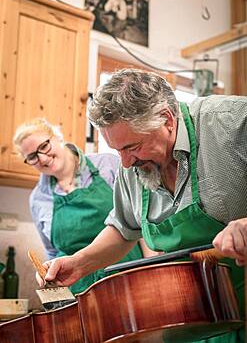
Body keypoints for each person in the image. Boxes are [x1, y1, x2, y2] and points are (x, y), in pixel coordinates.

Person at [35, 70, 246, 342]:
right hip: (193, 324)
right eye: (117, 150)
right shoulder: (131, 166)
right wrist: (79, 263)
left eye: (132, 147)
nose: (124, 163)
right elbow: (124, 229)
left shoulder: (235, 123)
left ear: (167, 120)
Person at [13, 117, 157, 294]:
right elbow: (52, 252)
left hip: (128, 278)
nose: (42, 158)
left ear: (57, 137)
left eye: (44, 146)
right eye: (32, 157)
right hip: (77, 292)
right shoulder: (38, 199)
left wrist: (153, 269)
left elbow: (141, 222)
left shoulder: (109, 165)